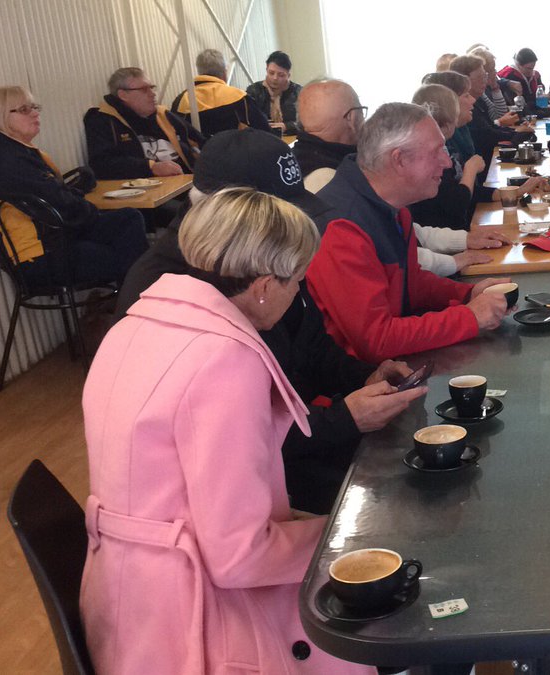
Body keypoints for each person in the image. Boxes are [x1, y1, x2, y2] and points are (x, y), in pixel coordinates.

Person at [79, 187, 376, 674]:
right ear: (263, 285)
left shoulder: (135, 323)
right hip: (193, 620)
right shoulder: (225, 360)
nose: (298, 292)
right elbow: (240, 557)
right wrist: (344, 536)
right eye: (297, 281)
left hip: (121, 597)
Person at [114, 128, 423, 514]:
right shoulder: (169, 299)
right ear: (232, 211)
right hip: (238, 492)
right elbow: (237, 446)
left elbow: (308, 343)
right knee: (404, 494)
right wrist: (345, 420)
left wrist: (364, 375)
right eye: (278, 212)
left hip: (296, 443)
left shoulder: (260, 259)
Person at [308, 102, 513, 361]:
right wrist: (469, 317)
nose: (447, 162)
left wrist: (466, 294)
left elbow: (410, 284)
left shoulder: (392, 206)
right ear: (400, 159)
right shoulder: (341, 227)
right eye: (437, 151)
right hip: (356, 384)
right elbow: (375, 339)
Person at [295, 80, 512, 276]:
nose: (445, 162)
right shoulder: (328, 183)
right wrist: (454, 262)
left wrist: (464, 239)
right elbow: (391, 259)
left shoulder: (339, 164)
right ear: (352, 118)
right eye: (361, 111)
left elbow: (403, 232)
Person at [0, 86, 146, 286]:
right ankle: (136, 302)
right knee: (129, 249)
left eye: (34, 107)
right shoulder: (10, 160)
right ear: (0, 116)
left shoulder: (12, 151)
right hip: (39, 259)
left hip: (52, 241)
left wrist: (78, 195)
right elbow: (61, 205)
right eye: (24, 110)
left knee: (128, 220)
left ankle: (132, 302)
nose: (35, 113)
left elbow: (54, 197)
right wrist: (88, 207)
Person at [409, 81, 545, 237]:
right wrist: (470, 170)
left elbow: (473, 193)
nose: (473, 100)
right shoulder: (432, 156)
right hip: (448, 237)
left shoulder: (448, 146)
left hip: (458, 234)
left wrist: (517, 192)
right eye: (466, 96)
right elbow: (456, 203)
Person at [84, 66, 204, 179]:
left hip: (188, 183)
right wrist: (150, 167)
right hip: (144, 193)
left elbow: (201, 142)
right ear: (123, 95)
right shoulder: (103, 120)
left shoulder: (164, 115)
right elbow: (101, 165)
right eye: (144, 90)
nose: (152, 94)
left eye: (152, 88)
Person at [449, 54, 533, 178]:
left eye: (486, 75)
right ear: (466, 80)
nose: (486, 80)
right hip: (482, 170)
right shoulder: (465, 109)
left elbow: (489, 127)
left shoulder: (479, 100)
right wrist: (515, 134)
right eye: (481, 76)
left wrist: (515, 132)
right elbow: (485, 134)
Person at [171, 48, 271, 135]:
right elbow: (264, 130)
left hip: (201, 156)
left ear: (199, 71)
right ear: (224, 73)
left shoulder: (181, 101)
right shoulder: (239, 97)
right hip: (238, 155)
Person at [246, 50, 303, 135]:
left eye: (281, 75)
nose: (275, 78)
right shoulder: (254, 91)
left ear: (288, 75)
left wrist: (286, 126)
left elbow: (308, 122)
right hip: (263, 138)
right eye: (271, 73)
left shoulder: (299, 92)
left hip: (292, 138)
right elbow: (247, 121)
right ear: (266, 70)